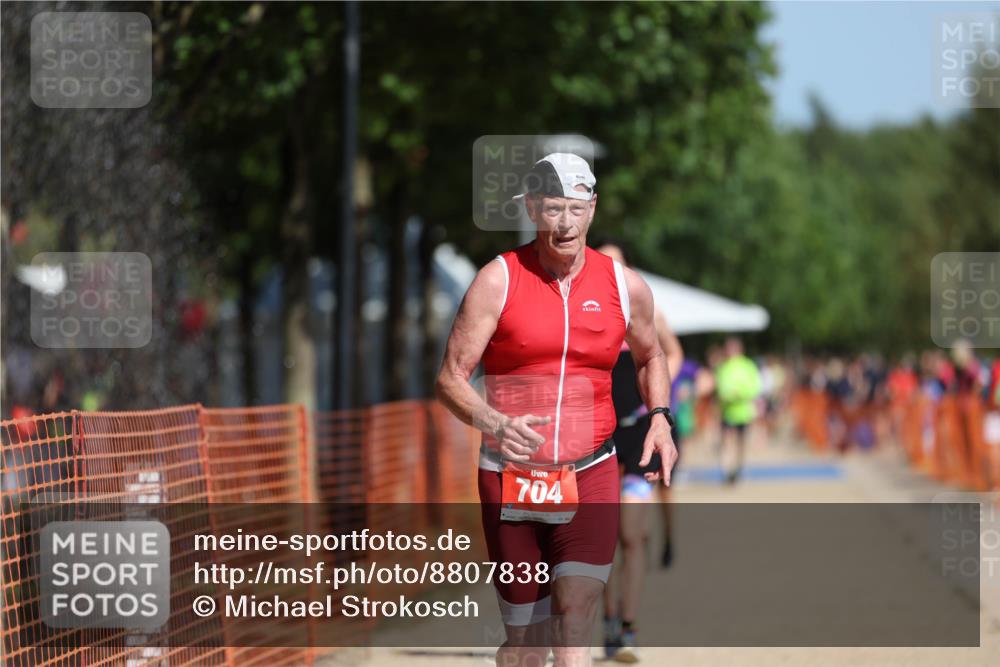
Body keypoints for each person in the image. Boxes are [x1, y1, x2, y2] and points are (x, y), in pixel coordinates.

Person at [436, 153, 677, 667]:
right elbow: (450, 378)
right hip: (509, 473)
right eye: (551, 209)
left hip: (590, 468)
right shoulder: (498, 279)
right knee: (526, 638)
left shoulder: (623, 285)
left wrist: (661, 417)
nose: (564, 224)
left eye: (574, 208)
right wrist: (494, 422)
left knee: (576, 608)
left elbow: (651, 355)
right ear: (530, 208)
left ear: (592, 208)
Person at [593, 241, 683, 663]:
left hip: (638, 437)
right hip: (597, 440)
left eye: (617, 262)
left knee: (631, 535)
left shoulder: (644, 310)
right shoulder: (585, 310)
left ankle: (628, 627)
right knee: (602, 538)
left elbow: (670, 354)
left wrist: (660, 399)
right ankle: (608, 619)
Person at [714, 336, 760, 484]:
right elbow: (720, 388)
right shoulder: (723, 367)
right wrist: (727, 395)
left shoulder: (748, 365)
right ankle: (726, 471)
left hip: (744, 412)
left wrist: (740, 394)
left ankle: (739, 470)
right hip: (727, 412)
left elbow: (755, 387)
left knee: (741, 443)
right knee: (727, 442)